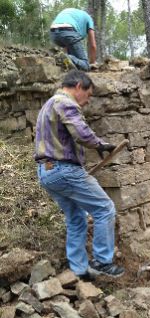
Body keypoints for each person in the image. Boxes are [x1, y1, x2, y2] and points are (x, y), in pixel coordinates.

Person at [35, 70, 124, 279]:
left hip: (47, 172)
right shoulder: (65, 102)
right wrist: (101, 145)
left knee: (76, 219)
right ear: (77, 86)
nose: (87, 101)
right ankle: (103, 261)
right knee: (104, 208)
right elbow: (81, 133)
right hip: (64, 170)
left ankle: (79, 270)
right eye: (89, 94)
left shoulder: (48, 104)